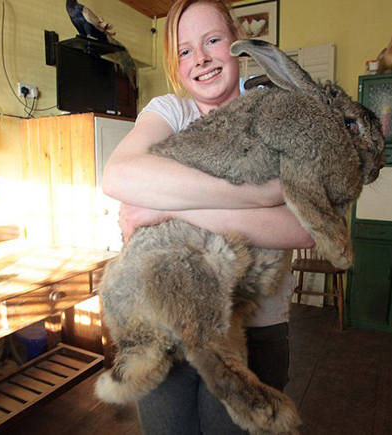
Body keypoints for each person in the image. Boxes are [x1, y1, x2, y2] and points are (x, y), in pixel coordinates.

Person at [101, 0, 314, 433]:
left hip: (257, 327)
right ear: (176, 64)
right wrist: (261, 195)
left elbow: (305, 228)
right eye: (184, 50)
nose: (199, 58)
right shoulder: (171, 112)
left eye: (212, 40)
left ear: (236, 42)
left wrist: (164, 205)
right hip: (164, 319)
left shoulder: (274, 112)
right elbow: (118, 175)